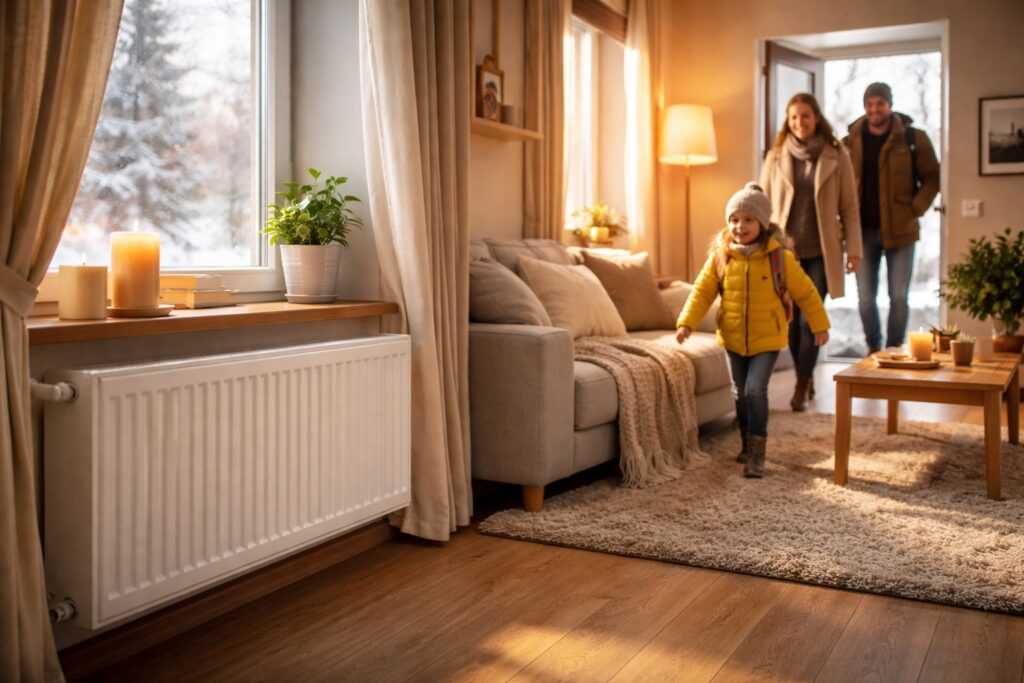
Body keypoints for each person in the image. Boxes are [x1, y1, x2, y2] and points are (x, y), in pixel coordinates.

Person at [676, 183, 830, 478]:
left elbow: (807, 293)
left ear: (762, 223)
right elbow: (701, 292)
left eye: (748, 219)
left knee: (755, 389)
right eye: (734, 219)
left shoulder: (779, 259)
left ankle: (758, 453)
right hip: (733, 337)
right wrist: (686, 323)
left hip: (767, 339)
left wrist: (819, 325)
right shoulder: (721, 257)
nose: (740, 226)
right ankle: (747, 443)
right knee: (740, 392)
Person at [760, 92, 862, 412]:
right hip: (785, 252)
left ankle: (802, 383)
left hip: (821, 250)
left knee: (809, 321)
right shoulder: (775, 155)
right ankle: (807, 378)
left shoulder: (835, 153)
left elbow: (849, 206)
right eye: (793, 117)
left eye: (805, 115)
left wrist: (854, 250)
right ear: (787, 122)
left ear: (816, 117)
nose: (799, 122)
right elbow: (762, 203)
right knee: (791, 321)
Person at [842, 82, 940, 354]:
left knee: (898, 297)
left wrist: (915, 208)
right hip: (862, 232)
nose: (875, 109)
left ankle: (893, 349)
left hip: (901, 230)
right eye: (870, 103)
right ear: (865, 106)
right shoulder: (850, 141)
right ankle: (874, 349)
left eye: (880, 103)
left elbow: (933, 177)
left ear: (890, 105)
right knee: (864, 299)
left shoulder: (912, 138)